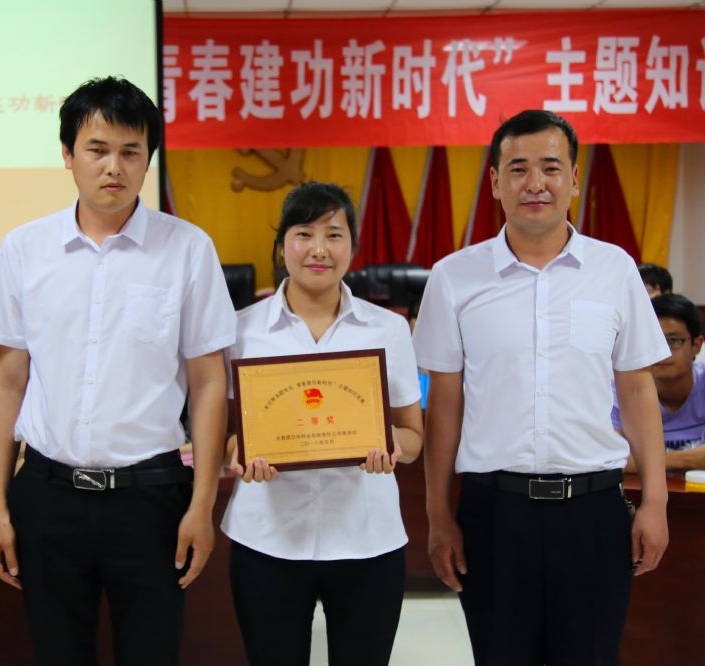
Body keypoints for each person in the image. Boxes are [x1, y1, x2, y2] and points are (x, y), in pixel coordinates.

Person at [0, 76, 235, 666]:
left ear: (148, 160)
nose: (113, 167)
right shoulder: (24, 248)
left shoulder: (188, 248)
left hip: (150, 499)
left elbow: (207, 382)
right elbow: (6, 380)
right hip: (48, 496)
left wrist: (200, 506)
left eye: (130, 151)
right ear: (67, 155)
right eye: (96, 149)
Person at [412, 110, 671, 666]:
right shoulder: (454, 277)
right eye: (519, 169)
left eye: (551, 168)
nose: (535, 183)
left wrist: (655, 500)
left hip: (593, 512)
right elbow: (446, 404)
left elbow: (637, 391)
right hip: (494, 514)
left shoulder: (614, 269)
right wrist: (438, 515)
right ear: (495, 182)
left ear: (574, 179)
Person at [221, 182, 424, 666]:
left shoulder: (388, 329)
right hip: (267, 540)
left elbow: (414, 437)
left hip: (367, 541)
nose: (318, 249)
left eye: (334, 235)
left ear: (352, 246)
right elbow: (226, 435)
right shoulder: (240, 330)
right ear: (281, 246)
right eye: (303, 233)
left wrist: (390, 444)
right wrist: (238, 453)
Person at [613, 293, 705, 470]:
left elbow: (626, 461)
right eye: (653, 341)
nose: (662, 352)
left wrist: (643, 461)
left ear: (697, 345)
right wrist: (691, 459)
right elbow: (611, 461)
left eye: (673, 341)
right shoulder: (619, 393)